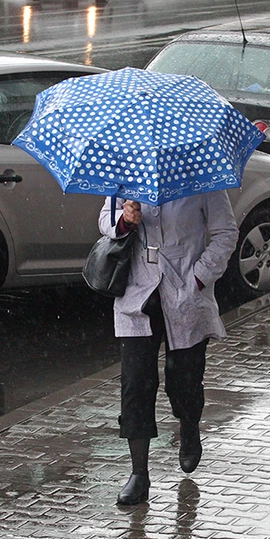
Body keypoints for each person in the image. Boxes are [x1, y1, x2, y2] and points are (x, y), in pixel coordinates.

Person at [99, 191, 238, 506]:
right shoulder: (128, 169)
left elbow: (225, 233)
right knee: (135, 382)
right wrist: (124, 220)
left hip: (184, 290)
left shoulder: (201, 175)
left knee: (184, 378)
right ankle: (139, 474)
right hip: (138, 290)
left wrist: (199, 277)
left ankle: (189, 425)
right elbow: (105, 221)